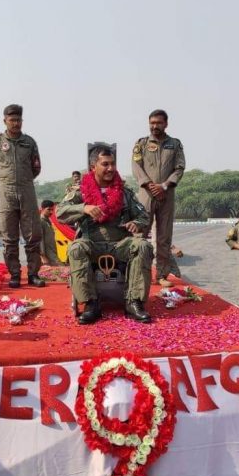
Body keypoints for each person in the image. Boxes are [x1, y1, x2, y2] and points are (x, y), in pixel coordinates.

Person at [58, 146, 153, 324]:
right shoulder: (80, 192)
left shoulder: (124, 192)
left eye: (113, 164)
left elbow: (143, 216)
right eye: (105, 164)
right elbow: (60, 212)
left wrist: (136, 223)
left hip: (120, 244)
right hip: (92, 244)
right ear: (93, 167)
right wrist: (83, 208)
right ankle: (90, 304)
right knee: (76, 248)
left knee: (143, 246)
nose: (111, 168)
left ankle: (134, 303)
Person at [0, 104, 45, 288]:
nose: (16, 123)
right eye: (12, 120)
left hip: (27, 190)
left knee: (32, 235)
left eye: (18, 120)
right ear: (5, 121)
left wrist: (24, 181)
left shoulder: (30, 142)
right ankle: (15, 274)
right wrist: (5, 181)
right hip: (5, 191)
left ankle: (33, 274)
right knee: (9, 237)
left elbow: (37, 168)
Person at [131, 109, 185, 287]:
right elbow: (136, 166)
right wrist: (149, 184)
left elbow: (179, 168)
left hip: (166, 195)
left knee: (164, 238)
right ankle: (138, 273)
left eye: (159, 123)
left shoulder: (175, 144)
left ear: (166, 124)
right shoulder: (141, 144)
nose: (155, 126)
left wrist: (164, 185)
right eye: (152, 123)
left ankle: (161, 275)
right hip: (146, 195)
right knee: (140, 235)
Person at [39, 199, 63, 266]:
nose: (51, 212)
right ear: (42, 209)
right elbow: (40, 240)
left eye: (52, 210)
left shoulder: (48, 221)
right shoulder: (40, 222)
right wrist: (43, 257)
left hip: (52, 252)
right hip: (47, 255)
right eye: (49, 209)